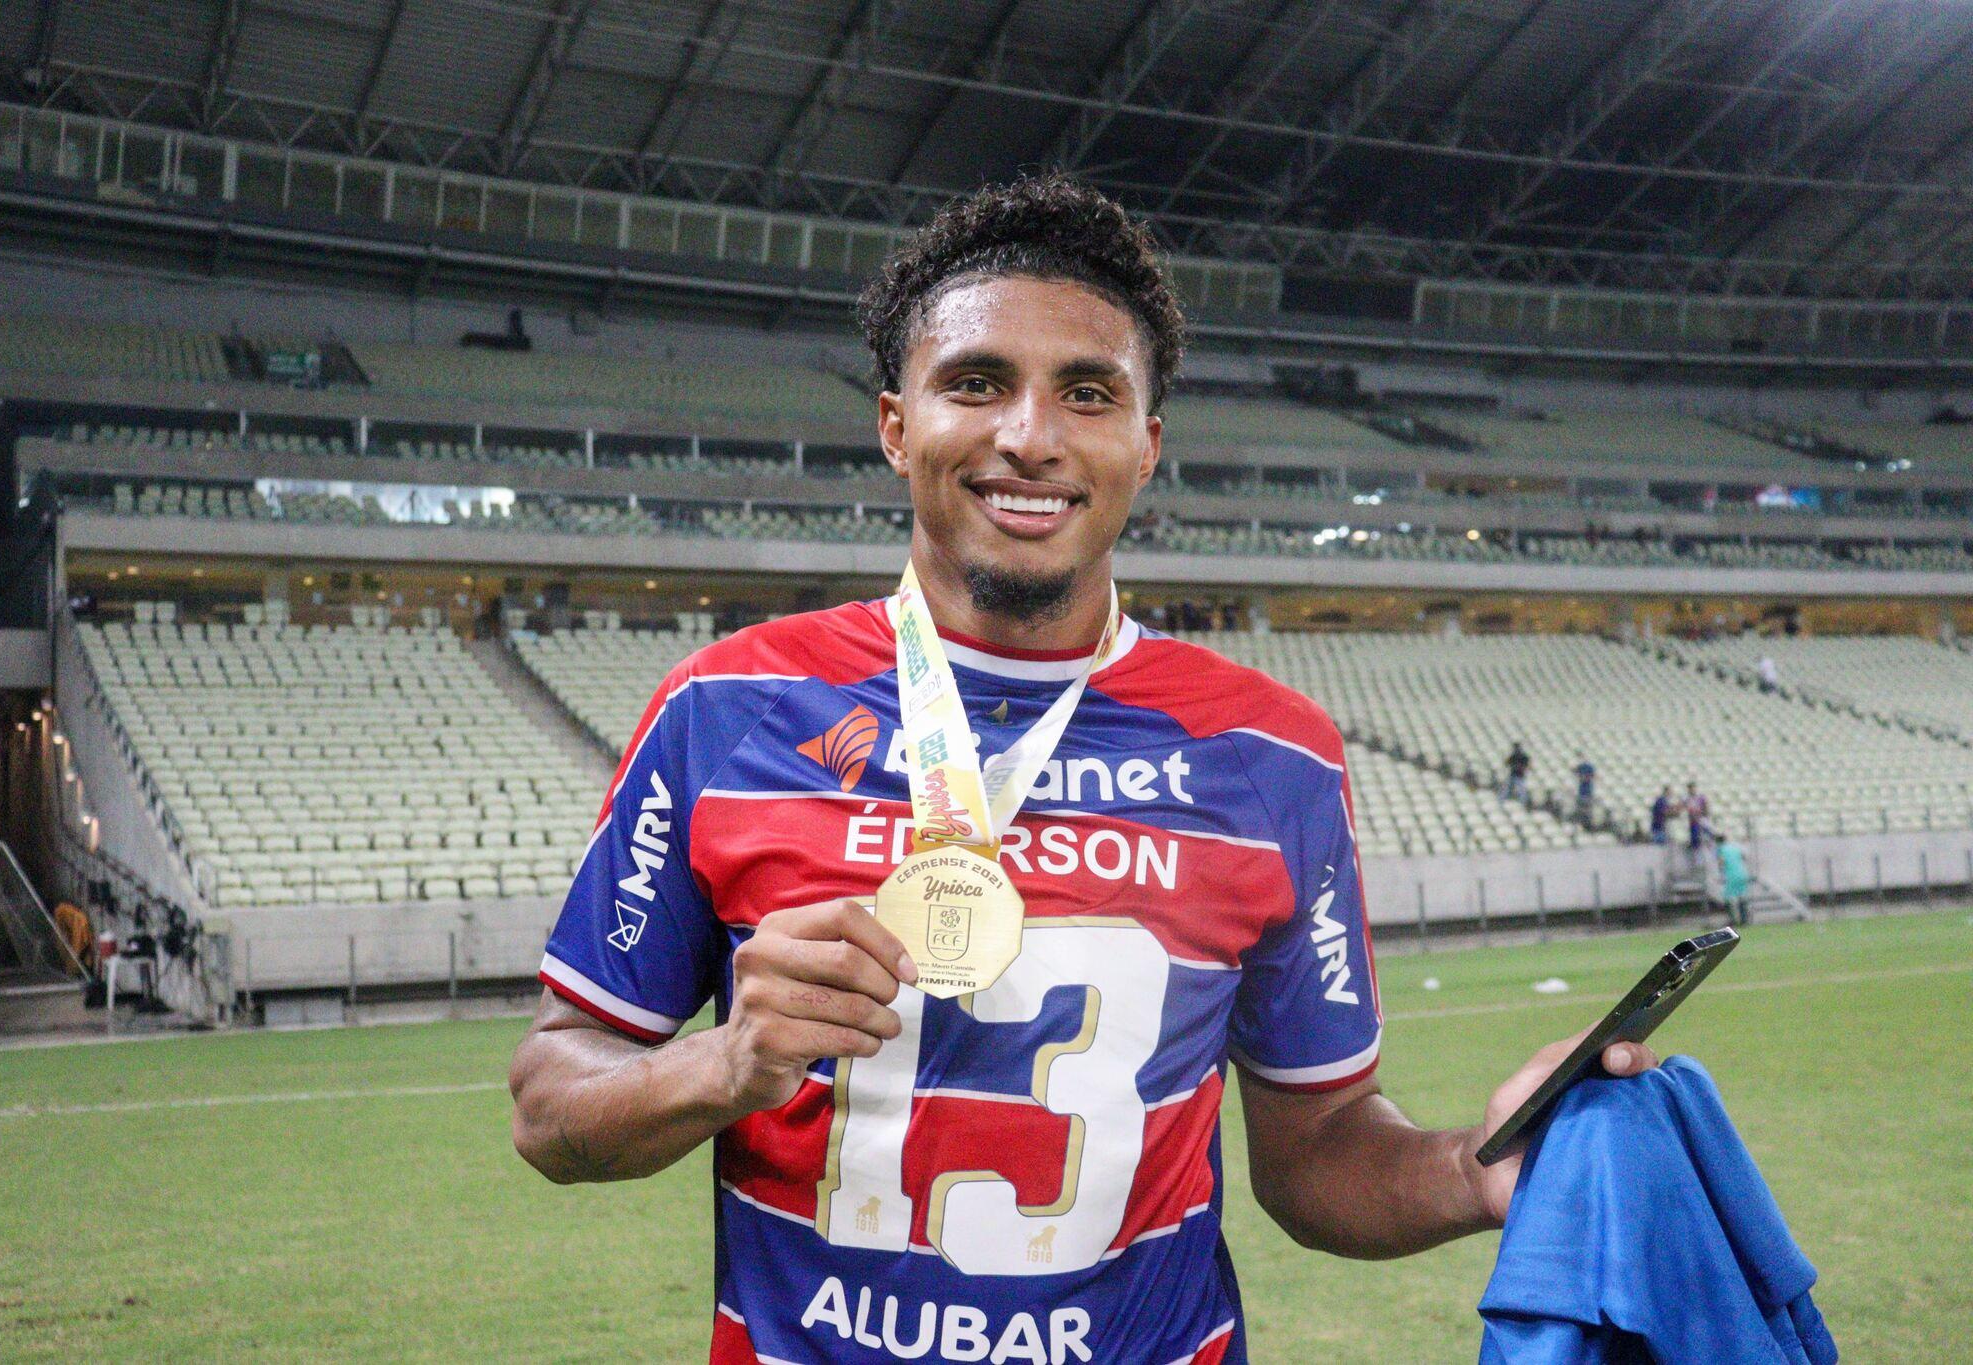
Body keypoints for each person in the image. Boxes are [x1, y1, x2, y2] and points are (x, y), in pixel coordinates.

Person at [506, 174, 1659, 1364]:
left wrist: (1480, 1171)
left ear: (1145, 445)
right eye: (974, 382)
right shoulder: (720, 711)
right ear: (896, 421)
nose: (1029, 436)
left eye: (1087, 394)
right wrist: (722, 1063)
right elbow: (551, 1104)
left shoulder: (1272, 758)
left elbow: (1319, 1159)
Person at [1715, 832, 1752, 925]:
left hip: (1731, 875)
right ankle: (1744, 920)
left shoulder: (1720, 849)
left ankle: (1732, 920)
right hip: (1742, 873)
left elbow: (1721, 861)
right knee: (1742, 896)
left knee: (1728, 897)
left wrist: (1720, 874)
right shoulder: (1734, 847)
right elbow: (1744, 857)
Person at [1683, 782, 1711, 852]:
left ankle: (1707, 844)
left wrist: (1703, 814)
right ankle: (1695, 847)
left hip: (1701, 819)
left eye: (1693, 788)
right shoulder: (1687, 798)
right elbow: (1686, 807)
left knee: (1706, 832)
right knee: (1695, 836)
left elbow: (1705, 807)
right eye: (1690, 789)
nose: (1692, 790)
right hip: (1693, 821)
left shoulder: (1700, 797)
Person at [1572, 754, 1597, 821]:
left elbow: (1592, 775)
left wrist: (1585, 777)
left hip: (1587, 793)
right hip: (1581, 793)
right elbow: (1574, 770)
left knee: (1587, 808)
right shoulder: (1581, 766)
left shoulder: (1589, 767)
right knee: (1580, 807)